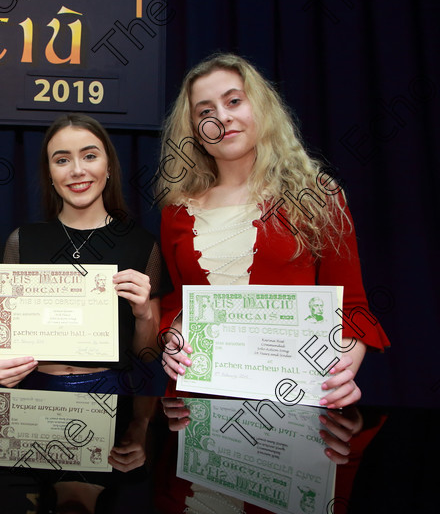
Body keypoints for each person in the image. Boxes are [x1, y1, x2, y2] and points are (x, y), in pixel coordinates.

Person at [157, 53, 389, 408]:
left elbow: (352, 308)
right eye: (205, 112)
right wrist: (172, 338)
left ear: (261, 108)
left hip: (297, 405)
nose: (222, 117)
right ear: (194, 132)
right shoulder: (176, 211)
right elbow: (178, 302)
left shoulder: (316, 196)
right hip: (198, 404)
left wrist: (344, 368)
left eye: (234, 101)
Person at [0, 114, 162, 392]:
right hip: (34, 393)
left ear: (108, 167)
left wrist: (143, 314)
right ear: (50, 174)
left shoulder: (142, 244)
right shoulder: (22, 241)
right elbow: (2, 342)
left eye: (90, 156)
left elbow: (148, 354)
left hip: (110, 394)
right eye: (62, 160)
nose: (77, 170)